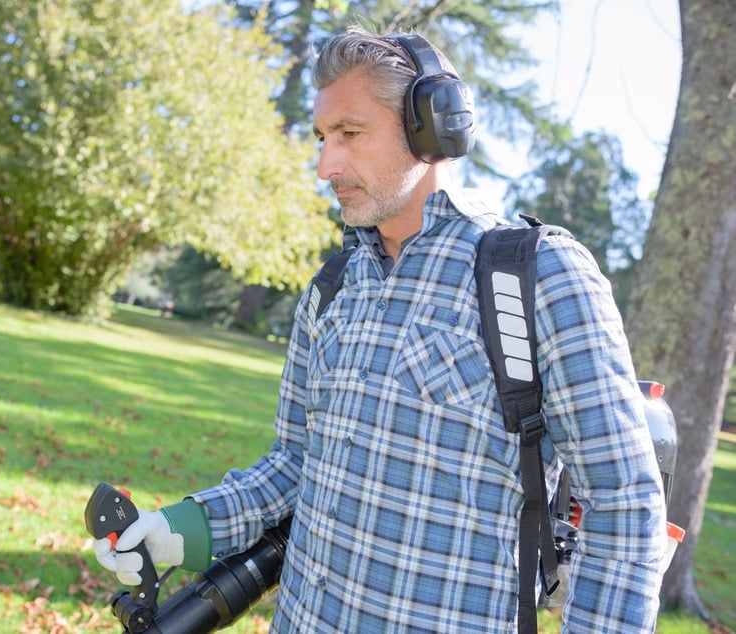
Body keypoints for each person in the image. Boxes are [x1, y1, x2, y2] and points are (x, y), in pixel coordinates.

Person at [94, 26, 668, 633]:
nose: (325, 164)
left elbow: (623, 506)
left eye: (349, 134)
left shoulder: (538, 274)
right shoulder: (332, 287)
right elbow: (295, 463)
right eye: (321, 137)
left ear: (431, 126)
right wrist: (181, 530)